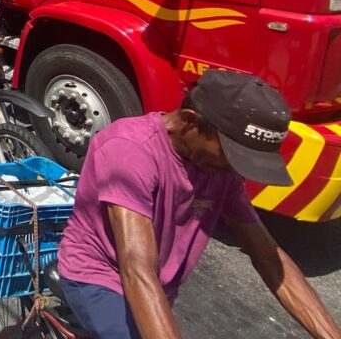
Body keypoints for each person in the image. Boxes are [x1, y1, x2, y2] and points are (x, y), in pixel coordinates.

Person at [58, 71, 341, 339]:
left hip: (156, 285)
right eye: (231, 156)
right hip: (100, 277)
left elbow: (268, 256)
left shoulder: (221, 171)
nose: (235, 170)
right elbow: (137, 271)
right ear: (190, 122)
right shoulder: (130, 150)